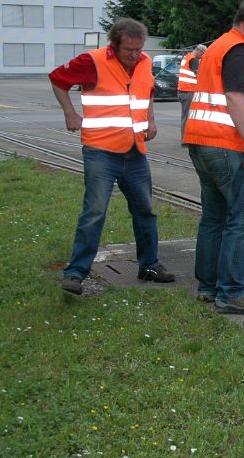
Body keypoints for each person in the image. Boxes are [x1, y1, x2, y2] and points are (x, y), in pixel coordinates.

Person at [49, 18, 175, 294]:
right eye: (129, 50)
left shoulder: (143, 62)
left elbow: (147, 92)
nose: (135, 55)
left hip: (134, 151)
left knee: (145, 209)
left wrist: (151, 120)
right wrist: (70, 112)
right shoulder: (92, 61)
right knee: (94, 211)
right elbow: (58, 79)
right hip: (101, 151)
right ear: (114, 45)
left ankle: (149, 265)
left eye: (139, 49)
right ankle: (76, 273)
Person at [184, 0, 244, 313]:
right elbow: (235, 97)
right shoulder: (239, 51)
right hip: (228, 145)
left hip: (202, 140)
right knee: (243, 219)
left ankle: (208, 286)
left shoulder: (219, 47)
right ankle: (233, 292)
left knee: (214, 217)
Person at [177, 43, 206, 141]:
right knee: (188, 116)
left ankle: (186, 137)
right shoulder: (193, 60)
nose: (202, 57)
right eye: (202, 55)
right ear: (199, 51)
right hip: (188, 91)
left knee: (185, 115)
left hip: (182, 91)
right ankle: (186, 139)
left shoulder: (186, 57)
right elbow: (199, 75)